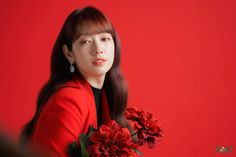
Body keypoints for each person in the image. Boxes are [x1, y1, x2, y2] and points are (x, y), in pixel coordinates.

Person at [20, 6, 130, 157]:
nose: (98, 49)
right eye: (85, 41)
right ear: (69, 53)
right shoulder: (68, 101)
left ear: (115, 45)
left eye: (104, 38)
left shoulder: (107, 95)